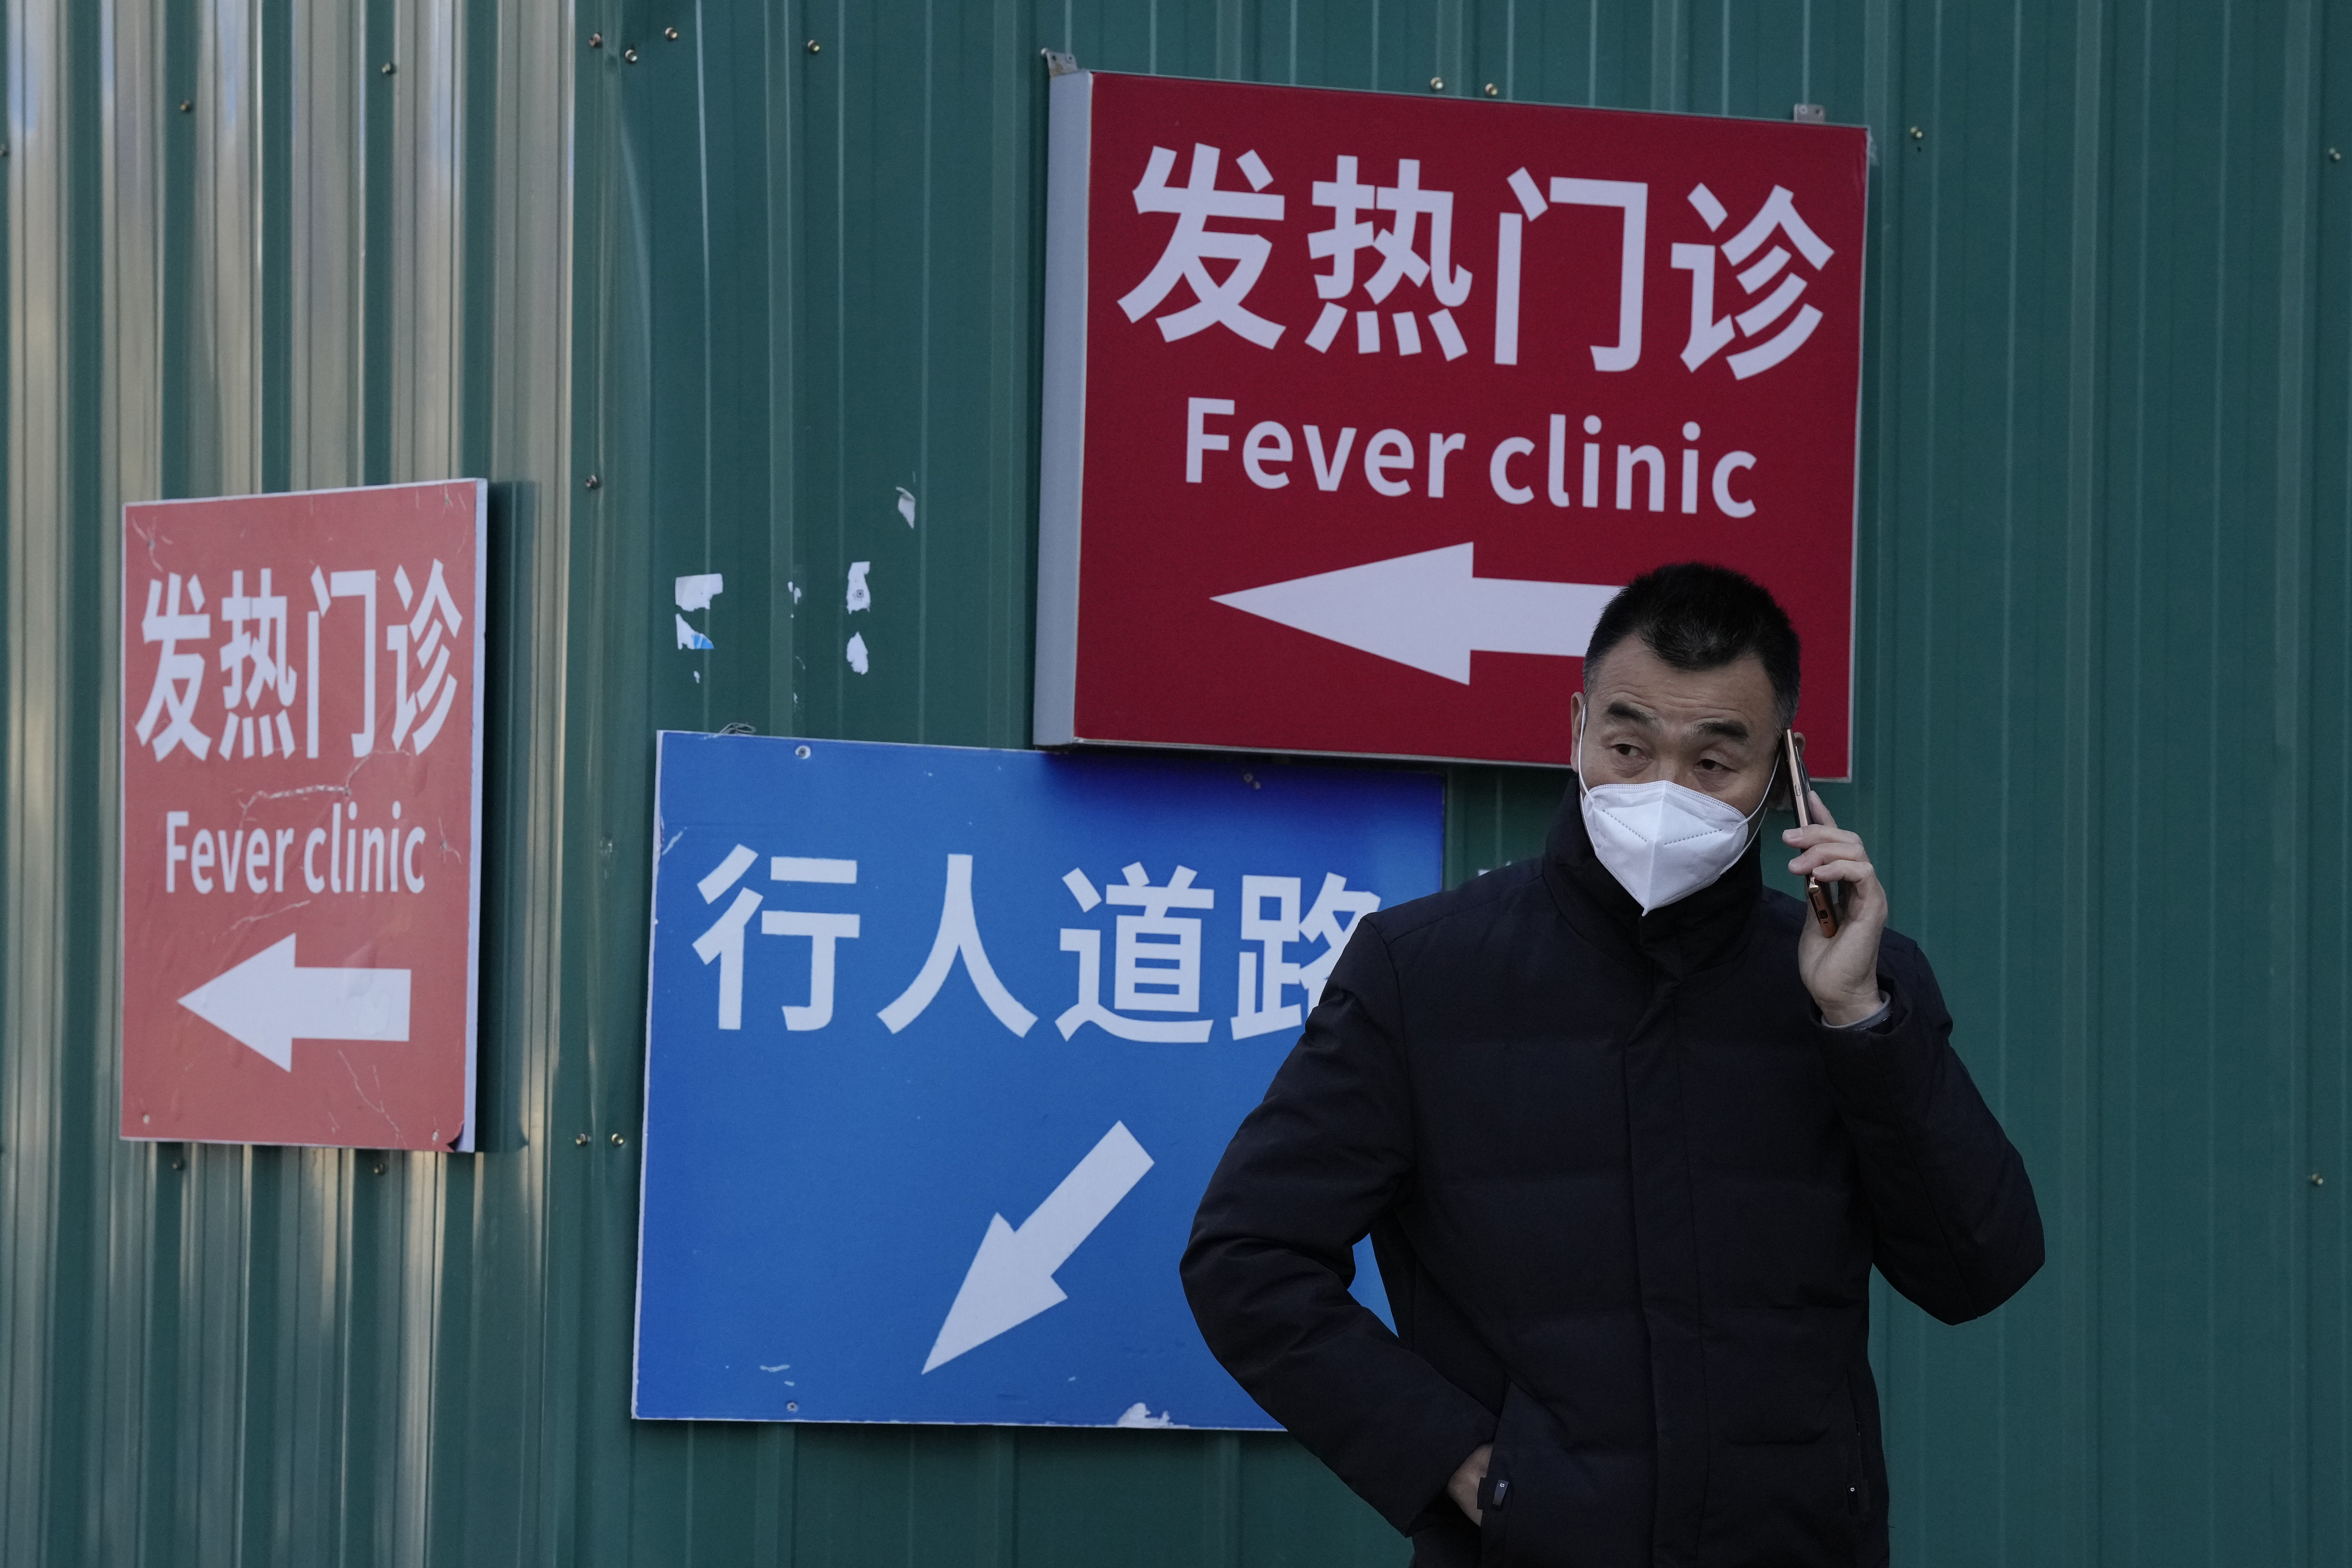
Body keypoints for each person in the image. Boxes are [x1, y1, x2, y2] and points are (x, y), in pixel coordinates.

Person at [1182, 562, 2043, 1567]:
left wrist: (1858, 1021)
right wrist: (1463, 1466)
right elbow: (1248, 1259)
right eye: (1628, 747)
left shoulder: (1855, 982)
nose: (1662, 793)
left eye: (1714, 763)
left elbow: (1977, 1269)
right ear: (1577, 728)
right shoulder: (1422, 975)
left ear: (1782, 776)